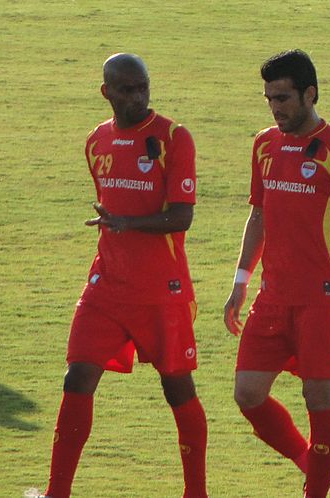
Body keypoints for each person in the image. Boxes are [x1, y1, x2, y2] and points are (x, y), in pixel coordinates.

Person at [32, 53, 208, 498]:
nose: (138, 97)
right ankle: (57, 493)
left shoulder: (173, 137)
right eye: (127, 89)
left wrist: (128, 224)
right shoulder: (97, 142)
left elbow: (182, 216)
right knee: (77, 377)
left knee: (177, 388)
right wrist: (117, 227)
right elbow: (107, 206)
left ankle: (196, 492)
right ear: (106, 92)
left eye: (143, 87)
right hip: (106, 286)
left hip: (161, 289)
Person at [223, 49, 330, 498]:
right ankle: (308, 461)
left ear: (309, 94)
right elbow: (259, 215)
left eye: (284, 98)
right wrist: (240, 282)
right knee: (247, 394)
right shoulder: (264, 144)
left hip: (322, 299)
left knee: (320, 400)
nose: (276, 108)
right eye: (269, 98)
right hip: (271, 298)